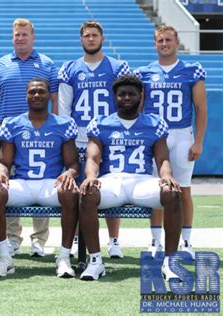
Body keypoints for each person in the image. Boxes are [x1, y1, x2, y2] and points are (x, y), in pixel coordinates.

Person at [79, 75, 182, 281]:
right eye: (121, 94)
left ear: (140, 96)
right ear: (114, 97)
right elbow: (93, 157)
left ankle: (170, 262)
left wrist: (167, 176)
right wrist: (90, 176)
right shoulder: (101, 123)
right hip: (112, 181)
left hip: (141, 182)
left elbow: (162, 158)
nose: (126, 98)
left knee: (172, 193)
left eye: (131, 94)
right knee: (87, 193)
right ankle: (95, 261)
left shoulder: (154, 123)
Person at [0, 78, 80, 278]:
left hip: (50, 183)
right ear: (26, 95)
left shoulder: (63, 124)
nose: (37, 95)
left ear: (48, 96)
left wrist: (69, 173)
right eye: (32, 92)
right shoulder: (13, 123)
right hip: (23, 182)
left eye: (41, 92)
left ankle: (64, 257)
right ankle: (5, 257)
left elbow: (73, 164)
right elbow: (5, 162)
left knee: (71, 192)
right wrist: (1, 174)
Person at [57, 20, 131, 259]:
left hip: (108, 135)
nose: (91, 39)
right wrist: (67, 135)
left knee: (108, 185)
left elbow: (124, 102)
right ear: (81, 39)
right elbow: (64, 107)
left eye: (95, 35)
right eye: (87, 35)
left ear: (102, 38)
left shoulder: (118, 67)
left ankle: (114, 240)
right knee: (78, 188)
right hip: (79, 135)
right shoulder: (69, 68)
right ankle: (79, 237)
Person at [0, 18, 59, 256]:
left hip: (40, 132)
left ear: (33, 37)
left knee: (43, 175)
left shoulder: (46, 64)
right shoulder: (0, 64)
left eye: (24, 34)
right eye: (16, 35)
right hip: (9, 133)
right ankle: (13, 237)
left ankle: (39, 240)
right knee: (9, 179)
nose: (20, 38)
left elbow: (55, 98)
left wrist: (54, 124)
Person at [134, 25, 207, 259]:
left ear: (177, 43)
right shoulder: (145, 73)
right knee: (158, 190)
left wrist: (198, 141)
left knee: (183, 189)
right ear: (155, 45)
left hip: (182, 132)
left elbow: (201, 108)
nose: (164, 44)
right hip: (155, 135)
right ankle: (155, 240)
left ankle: (186, 240)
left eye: (168, 40)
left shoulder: (191, 70)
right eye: (160, 41)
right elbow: (139, 108)